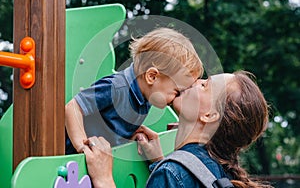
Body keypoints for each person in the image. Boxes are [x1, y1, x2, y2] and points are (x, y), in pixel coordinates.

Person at [83, 71, 273, 188]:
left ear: (209, 115)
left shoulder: (172, 173)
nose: (196, 80)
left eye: (205, 85)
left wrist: (104, 179)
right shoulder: (221, 175)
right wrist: (159, 162)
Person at [65, 27, 203, 154]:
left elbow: (112, 124)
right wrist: (82, 146)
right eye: (177, 91)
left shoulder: (145, 98)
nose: (177, 98)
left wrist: (129, 136)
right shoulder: (115, 88)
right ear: (152, 76)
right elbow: (73, 107)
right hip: (70, 157)